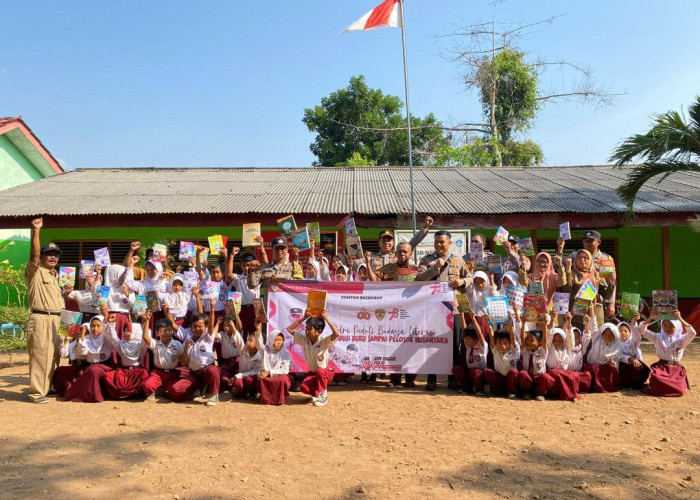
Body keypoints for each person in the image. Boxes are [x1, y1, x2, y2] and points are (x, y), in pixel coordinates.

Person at [417, 230, 472, 391]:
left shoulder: (458, 260)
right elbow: (419, 279)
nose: (439, 245)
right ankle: (431, 378)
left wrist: (461, 281)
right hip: (432, 309)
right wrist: (435, 269)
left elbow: (469, 278)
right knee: (431, 343)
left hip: (454, 309)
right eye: (436, 242)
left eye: (442, 242)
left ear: (450, 243)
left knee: (454, 345)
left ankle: (452, 378)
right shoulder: (426, 260)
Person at [365, 243, 419, 386]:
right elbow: (374, 282)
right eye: (400, 251)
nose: (402, 254)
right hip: (392, 314)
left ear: (410, 254)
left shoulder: (415, 270)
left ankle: (410, 378)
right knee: (394, 345)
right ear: (395, 253)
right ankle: (395, 378)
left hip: (410, 314)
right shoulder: (387, 268)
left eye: (405, 252)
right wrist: (368, 264)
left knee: (409, 346)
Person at [25, 218, 64, 404]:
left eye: (55, 254)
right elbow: (33, 254)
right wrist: (37, 231)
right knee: (40, 354)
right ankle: (36, 392)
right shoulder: (35, 272)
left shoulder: (55, 276)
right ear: (41, 256)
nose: (53, 257)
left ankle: (49, 387)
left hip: (56, 320)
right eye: (48, 253)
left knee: (54, 355)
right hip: (40, 318)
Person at [557, 230, 616, 325]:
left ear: (598, 242)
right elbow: (560, 267)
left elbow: (611, 282)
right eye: (585, 241)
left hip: (596, 302)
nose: (587, 243)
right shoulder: (575, 255)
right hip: (576, 305)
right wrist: (560, 249)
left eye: (590, 241)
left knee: (595, 331)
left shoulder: (606, 259)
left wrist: (611, 303)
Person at [286, 309, 341, 407]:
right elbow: (290, 329)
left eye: (309, 329)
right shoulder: (304, 340)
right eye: (306, 328)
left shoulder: (324, 341)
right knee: (304, 388)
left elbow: (336, 334)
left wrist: (326, 318)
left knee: (320, 372)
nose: (306, 331)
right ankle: (317, 393)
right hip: (313, 373)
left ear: (318, 331)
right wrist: (304, 318)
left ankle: (324, 396)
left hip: (325, 373)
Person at [169, 305, 220, 406]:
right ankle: (197, 390)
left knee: (213, 370)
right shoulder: (187, 339)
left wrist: (213, 308)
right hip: (194, 374)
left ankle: (214, 395)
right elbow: (183, 363)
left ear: (205, 327)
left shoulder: (208, 337)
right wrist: (186, 348)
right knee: (175, 390)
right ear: (190, 327)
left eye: (200, 326)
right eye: (194, 326)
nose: (197, 329)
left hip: (207, 371)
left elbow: (211, 325)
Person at [639, 310, 696, 397]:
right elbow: (642, 331)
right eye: (664, 325)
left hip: (675, 369)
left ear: (676, 327)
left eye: (671, 325)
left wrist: (680, 318)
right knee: (655, 378)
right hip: (661, 367)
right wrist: (650, 317)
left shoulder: (682, 339)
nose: (667, 328)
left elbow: (692, 333)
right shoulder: (658, 337)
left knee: (680, 391)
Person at [64, 314, 115, 403]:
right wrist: (82, 336)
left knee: (93, 371)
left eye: (98, 326)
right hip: (89, 366)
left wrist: (109, 322)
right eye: (92, 326)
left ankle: (95, 396)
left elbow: (113, 336)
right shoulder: (87, 339)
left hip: (104, 365)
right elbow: (82, 354)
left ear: (103, 326)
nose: (95, 328)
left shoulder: (106, 337)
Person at [102, 315, 149, 399]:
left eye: (128, 330)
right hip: (124, 373)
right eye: (125, 330)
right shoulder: (121, 344)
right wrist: (112, 324)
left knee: (144, 374)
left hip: (136, 372)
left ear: (135, 332)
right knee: (107, 376)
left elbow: (145, 339)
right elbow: (113, 338)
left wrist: (145, 323)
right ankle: (123, 394)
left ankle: (136, 393)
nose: (125, 333)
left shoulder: (140, 345)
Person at [142, 312, 184, 401]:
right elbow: (145, 337)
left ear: (172, 331)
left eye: (168, 330)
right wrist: (147, 320)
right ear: (157, 333)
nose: (165, 333)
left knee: (176, 390)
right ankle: (160, 390)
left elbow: (184, 360)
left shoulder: (177, 344)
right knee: (147, 385)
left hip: (173, 374)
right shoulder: (156, 344)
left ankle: (163, 390)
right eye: (162, 331)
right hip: (158, 374)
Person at [368, 216, 433, 273]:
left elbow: (413, 242)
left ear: (393, 243)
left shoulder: (398, 254)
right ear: (379, 242)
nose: (386, 243)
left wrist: (425, 227)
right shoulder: (371, 258)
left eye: (389, 240)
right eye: (384, 240)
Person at [227, 248, 263, 335]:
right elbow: (229, 274)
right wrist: (232, 256)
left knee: (256, 333)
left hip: (256, 308)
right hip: (242, 308)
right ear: (241, 266)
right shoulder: (238, 278)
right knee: (242, 332)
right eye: (244, 265)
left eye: (248, 265)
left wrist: (257, 263)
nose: (246, 268)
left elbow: (264, 265)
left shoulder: (258, 277)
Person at [451, 311, 488, 395]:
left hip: (480, 374)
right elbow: (464, 329)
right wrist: (462, 314)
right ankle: (467, 388)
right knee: (456, 369)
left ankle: (479, 389)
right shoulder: (468, 346)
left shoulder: (482, 345)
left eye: (468, 339)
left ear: (475, 340)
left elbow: (479, 334)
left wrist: (473, 319)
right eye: (466, 339)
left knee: (474, 371)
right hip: (470, 372)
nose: (466, 341)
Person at [582, 321, 623, 393]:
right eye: (605, 334)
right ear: (602, 334)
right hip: (594, 366)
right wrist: (591, 313)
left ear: (615, 336)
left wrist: (612, 363)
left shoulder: (617, 347)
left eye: (611, 335)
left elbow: (617, 362)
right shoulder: (597, 340)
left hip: (606, 369)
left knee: (612, 368)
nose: (608, 336)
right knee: (593, 369)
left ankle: (606, 386)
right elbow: (594, 327)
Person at [228, 320, 264, 400]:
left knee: (250, 380)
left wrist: (237, 376)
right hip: (242, 376)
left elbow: (255, 372)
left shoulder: (261, 355)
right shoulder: (244, 350)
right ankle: (241, 393)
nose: (247, 342)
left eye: (250, 340)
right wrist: (233, 327)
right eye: (247, 339)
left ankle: (252, 393)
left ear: (257, 343)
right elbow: (239, 340)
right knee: (237, 383)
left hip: (251, 378)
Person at [484, 322, 519, 398]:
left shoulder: (513, 350)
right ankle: (497, 390)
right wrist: (488, 321)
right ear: (496, 344)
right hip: (499, 378)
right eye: (499, 343)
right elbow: (491, 335)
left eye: (505, 343)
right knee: (488, 372)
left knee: (514, 371)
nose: (502, 346)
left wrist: (510, 322)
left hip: (511, 379)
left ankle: (511, 391)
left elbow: (512, 337)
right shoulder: (495, 350)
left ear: (509, 343)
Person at [517, 320, 550, 401]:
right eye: (527, 339)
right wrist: (523, 323)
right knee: (522, 373)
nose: (528, 342)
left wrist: (544, 324)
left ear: (539, 343)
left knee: (545, 377)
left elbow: (545, 340)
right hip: (528, 379)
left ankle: (540, 393)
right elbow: (522, 339)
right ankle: (527, 392)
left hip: (538, 378)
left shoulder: (542, 352)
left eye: (532, 340)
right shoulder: (525, 350)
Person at [258, 329, 293, 405]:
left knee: (283, 379)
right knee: (261, 378)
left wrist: (270, 372)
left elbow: (285, 370)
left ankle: (279, 399)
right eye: (276, 340)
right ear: (270, 340)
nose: (279, 342)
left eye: (281, 340)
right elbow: (258, 344)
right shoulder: (265, 350)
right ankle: (266, 399)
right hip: (267, 375)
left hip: (278, 375)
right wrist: (258, 331)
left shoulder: (285, 353)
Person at [617, 315, 650, 389]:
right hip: (621, 365)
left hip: (634, 363)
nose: (623, 333)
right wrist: (630, 359)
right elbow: (620, 356)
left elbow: (637, 335)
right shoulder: (615, 344)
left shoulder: (633, 342)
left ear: (630, 333)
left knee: (640, 366)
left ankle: (637, 384)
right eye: (620, 331)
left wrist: (634, 322)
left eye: (626, 331)